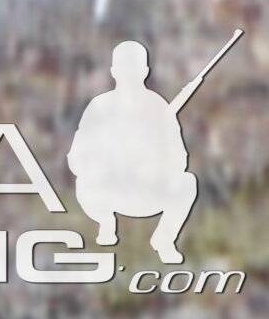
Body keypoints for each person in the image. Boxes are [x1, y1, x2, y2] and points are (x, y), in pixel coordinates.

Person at [69, 40, 199, 263]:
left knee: (187, 183)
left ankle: (165, 239)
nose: (129, 73)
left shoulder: (159, 108)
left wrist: (154, 164)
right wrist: (104, 165)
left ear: (145, 71)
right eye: (124, 67)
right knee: (83, 183)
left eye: (135, 67)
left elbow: (180, 158)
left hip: (147, 191)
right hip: (107, 191)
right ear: (113, 71)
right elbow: (76, 157)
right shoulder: (100, 107)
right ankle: (106, 224)